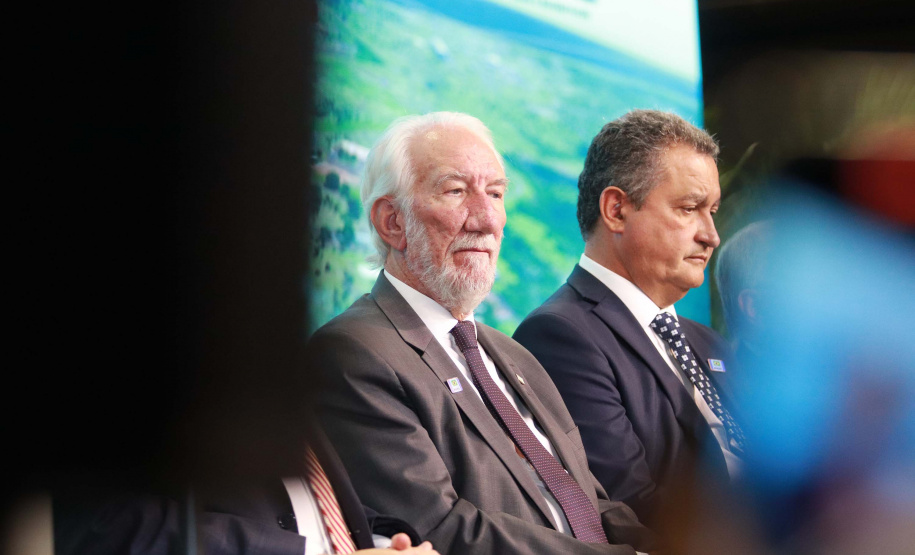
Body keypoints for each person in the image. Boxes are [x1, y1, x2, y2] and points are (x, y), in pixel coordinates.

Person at [309, 112, 657, 555]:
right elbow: (442, 528)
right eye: (456, 191)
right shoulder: (354, 352)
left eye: (495, 193)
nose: (488, 219)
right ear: (392, 222)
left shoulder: (513, 355)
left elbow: (589, 503)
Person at [513, 109, 741, 528]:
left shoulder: (709, 344)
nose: (711, 234)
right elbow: (633, 504)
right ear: (616, 210)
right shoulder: (560, 335)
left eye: (712, 210)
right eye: (690, 208)